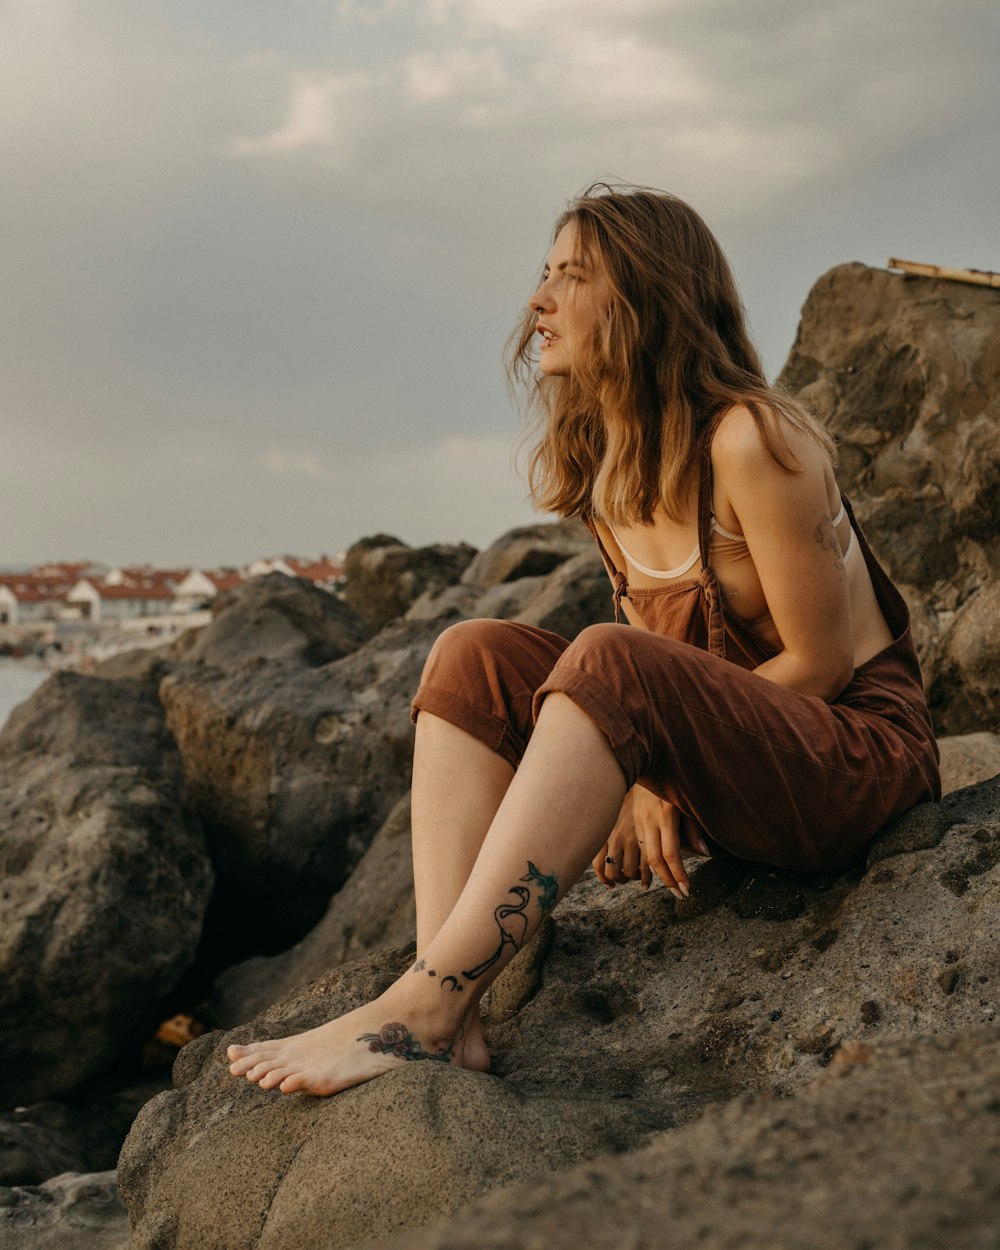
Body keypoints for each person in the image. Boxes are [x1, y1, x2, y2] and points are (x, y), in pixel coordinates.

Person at [228, 183, 940, 1095]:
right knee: (470, 654)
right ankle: (451, 1004)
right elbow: (668, 668)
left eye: (573, 277)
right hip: (744, 762)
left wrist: (653, 781)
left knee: (604, 658)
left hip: (855, 761)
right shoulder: (610, 464)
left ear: (646, 301)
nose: (539, 299)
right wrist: (646, 776)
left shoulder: (753, 438)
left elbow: (824, 663)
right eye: (546, 273)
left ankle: (425, 1007)